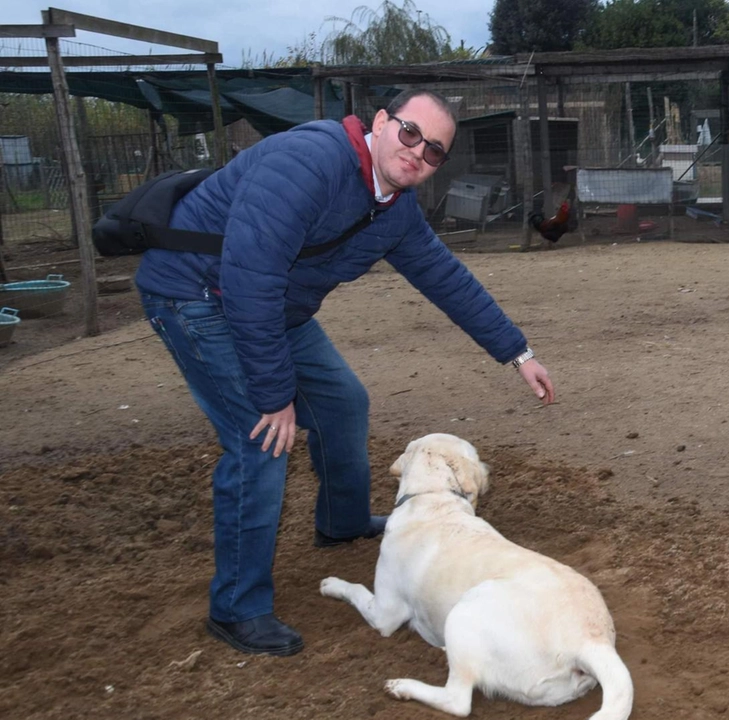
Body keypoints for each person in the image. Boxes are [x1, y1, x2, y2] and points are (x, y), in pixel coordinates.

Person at [135, 88, 554, 657]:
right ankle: (237, 608)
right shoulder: (310, 163)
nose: (417, 152)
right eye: (410, 133)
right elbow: (250, 277)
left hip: (271, 306)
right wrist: (273, 393)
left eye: (434, 151)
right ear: (379, 123)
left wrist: (518, 353)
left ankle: (343, 521)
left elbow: (446, 279)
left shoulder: (395, 210)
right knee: (260, 439)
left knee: (341, 401)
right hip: (197, 294)